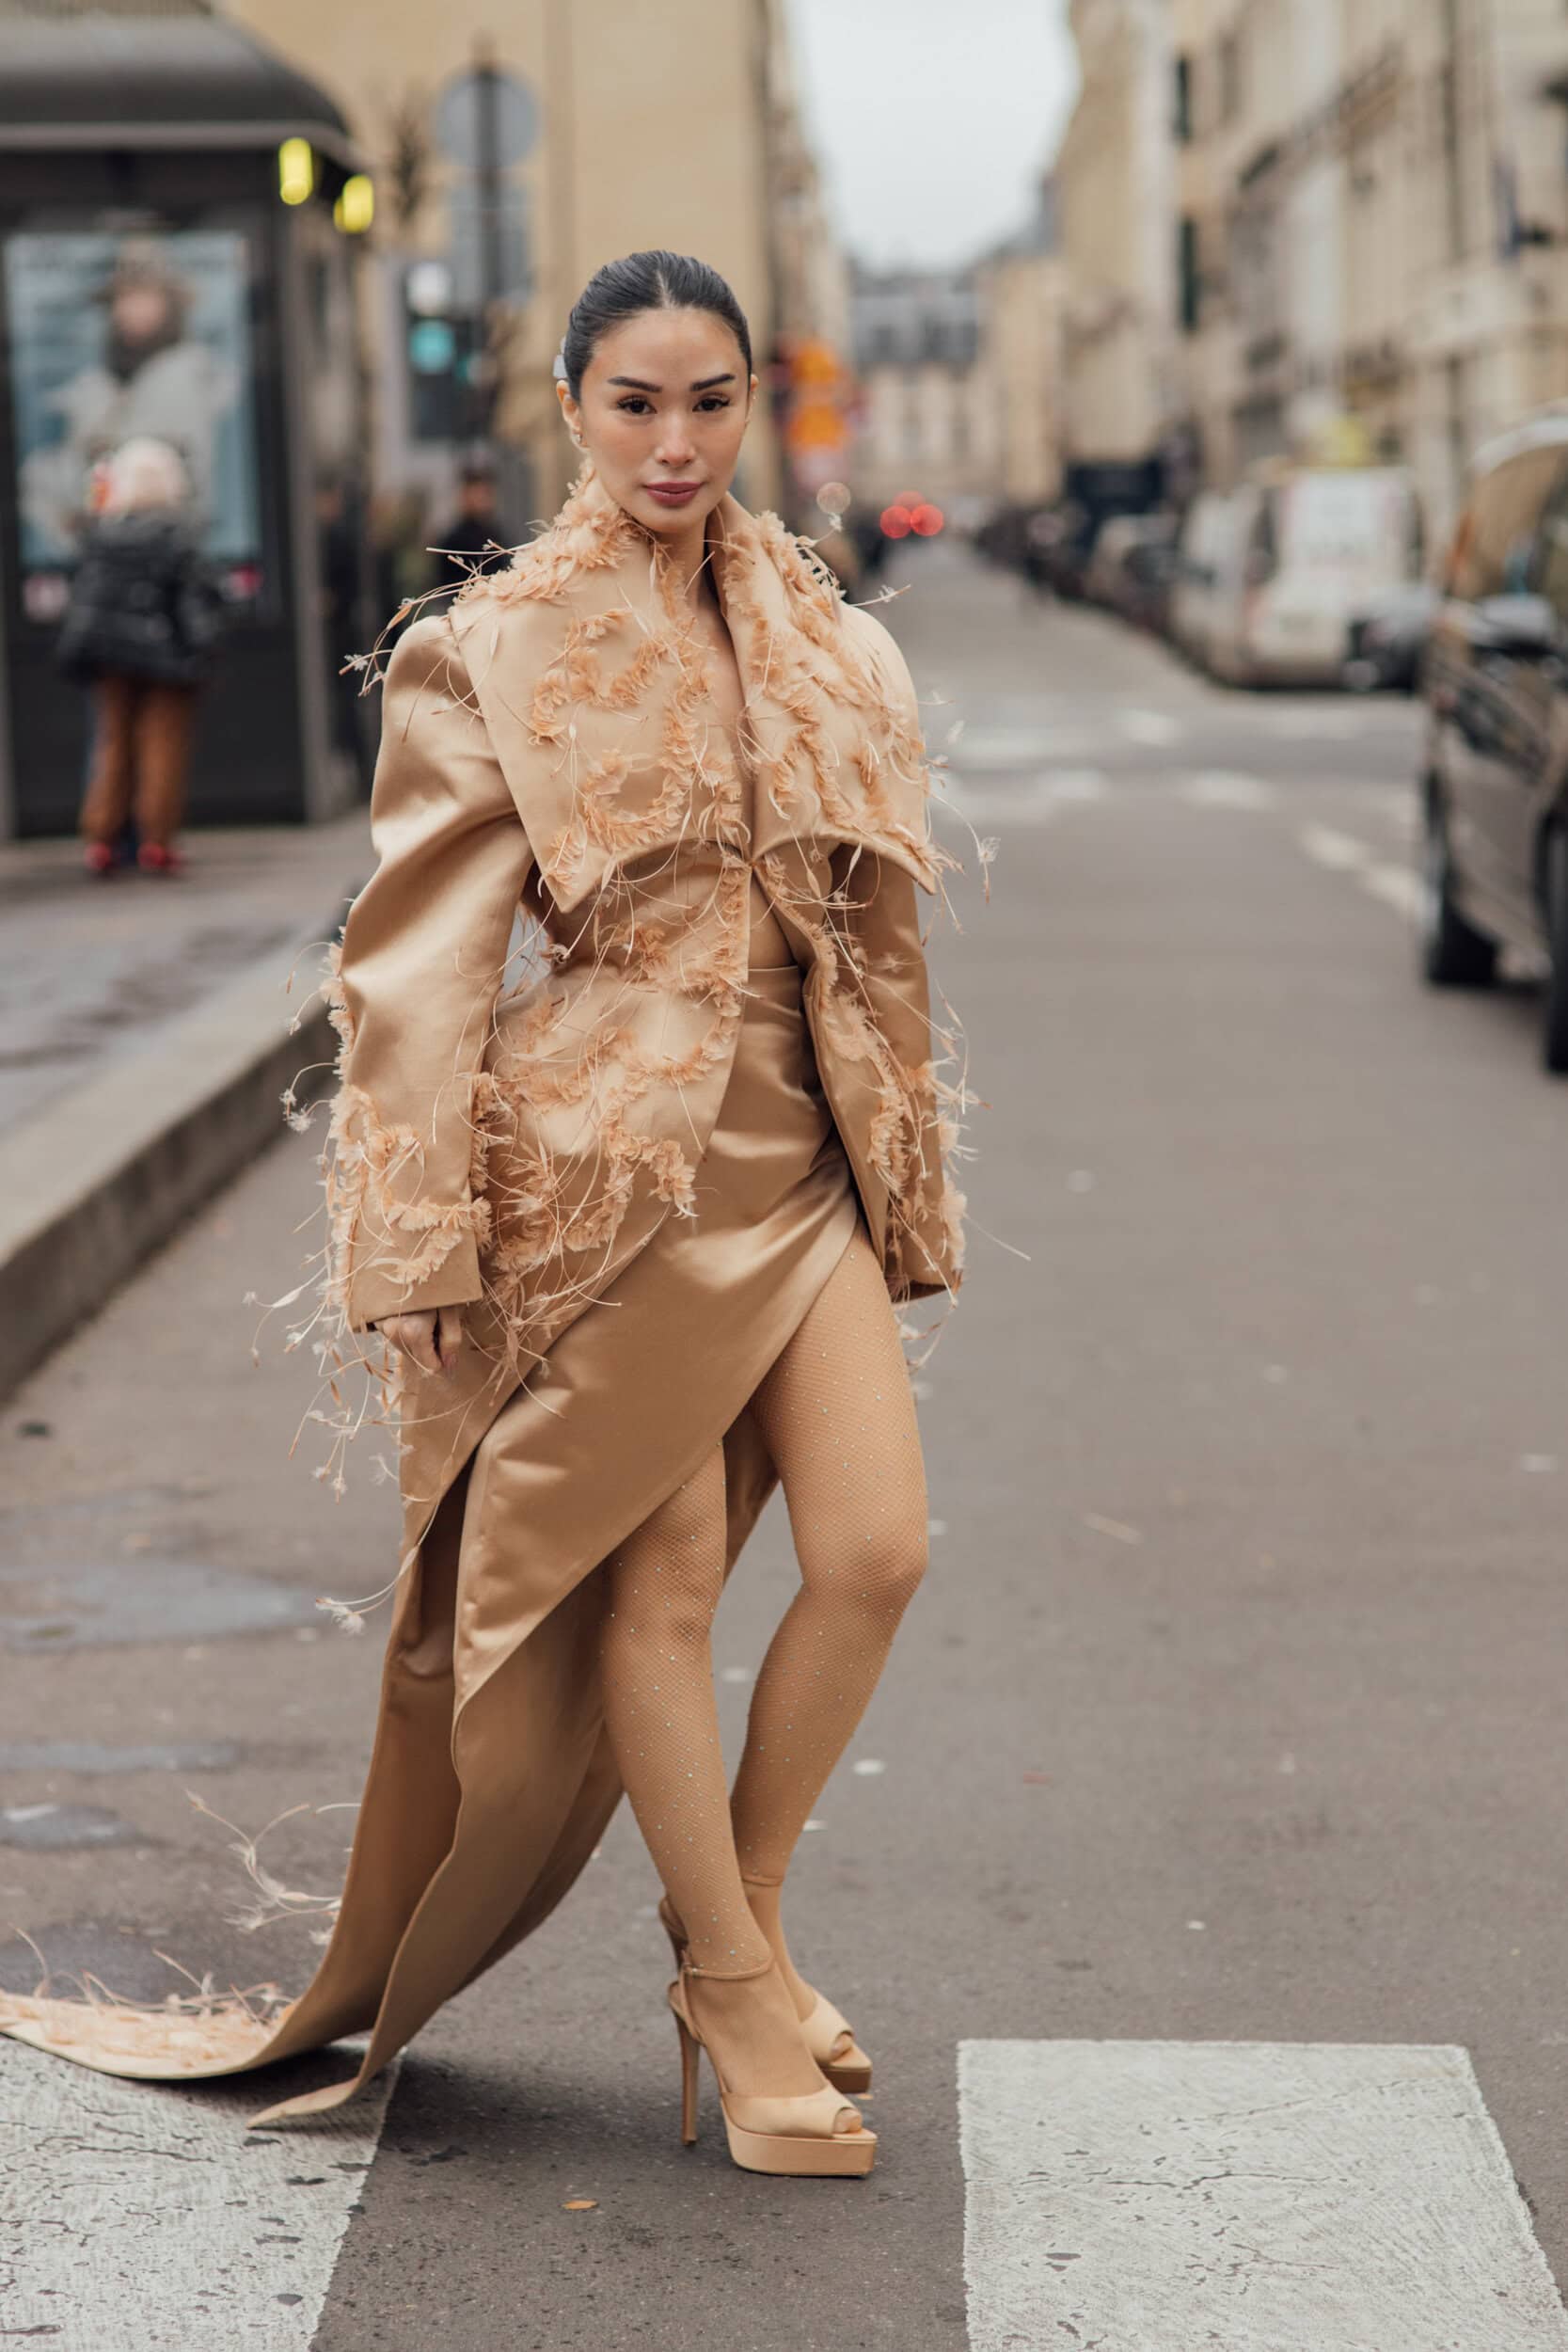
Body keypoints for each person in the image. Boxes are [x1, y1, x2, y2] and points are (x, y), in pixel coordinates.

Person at [0, 252, 969, 2180]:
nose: (675, 440)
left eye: (707, 400)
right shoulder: (491, 645)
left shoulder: (831, 640)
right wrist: (415, 1241)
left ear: (749, 399)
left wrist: (904, 1173)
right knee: (659, 1585)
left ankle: (745, 1918)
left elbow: (879, 934)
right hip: (604, 1183)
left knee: (875, 1546)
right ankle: (729, 1977)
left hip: (798, 1173)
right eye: (634, 402)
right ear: (572, 403)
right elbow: (414, 967)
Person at [56, 436, 222, 874]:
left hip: (109, 656)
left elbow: (87, 597)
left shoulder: (102, 533)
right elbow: (194, 602)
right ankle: (156, 840)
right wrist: (201, 649)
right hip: (166, 654)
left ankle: (102, 837)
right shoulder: (175, 533)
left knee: (111, 742)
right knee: (161, 743)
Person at [426, 456, 505, 592]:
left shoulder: (496, 533)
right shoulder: (453, 539)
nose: (482, 500)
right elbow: (444, 585)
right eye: (477, 494)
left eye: (486, 494)